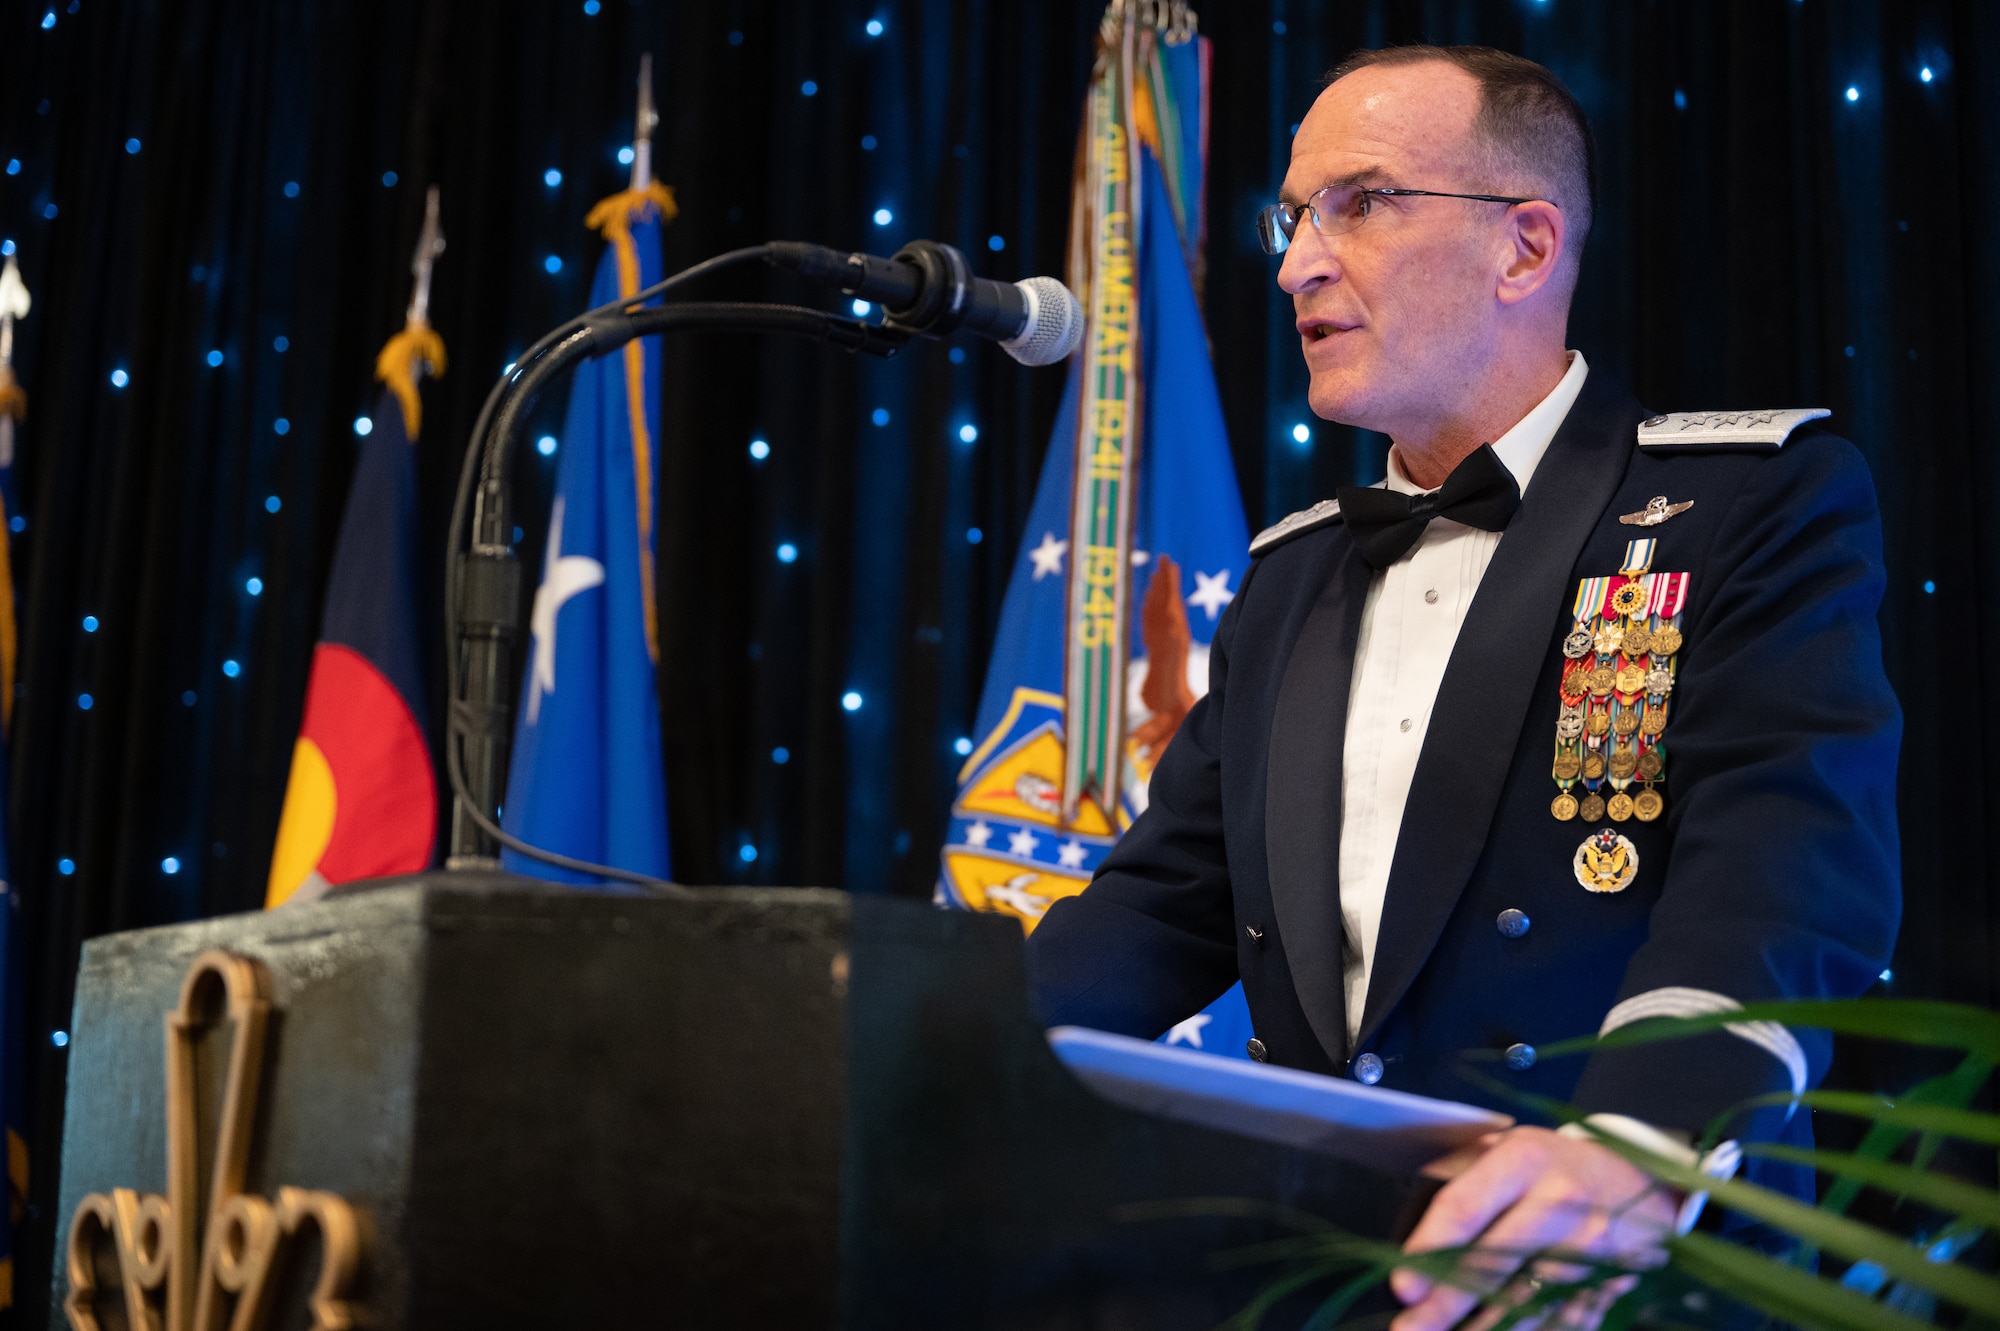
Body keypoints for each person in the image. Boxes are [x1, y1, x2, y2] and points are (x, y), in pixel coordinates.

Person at [1023, 44, 1901, 1331]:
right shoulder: (1292, 573)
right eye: (1291, 215)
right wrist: (892, 1049)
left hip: (1614, 1271)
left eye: (1359, 202)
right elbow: (1160, 906)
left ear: (1526, 249)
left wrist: (1636, 1143)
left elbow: (1784, 865)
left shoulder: (1746, 505)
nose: (1294, 263)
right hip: (1318, 1278)